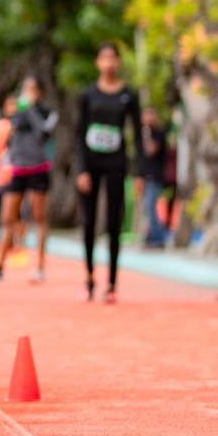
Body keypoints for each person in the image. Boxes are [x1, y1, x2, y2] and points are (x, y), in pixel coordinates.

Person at [76, 43, 141, 303]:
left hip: (116, 162)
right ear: (97, 62)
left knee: (113, 222)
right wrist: (81, 170)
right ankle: (89, 277)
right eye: (104, 57)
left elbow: (136, 133)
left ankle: (112, 282)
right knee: (89, 222)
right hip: (91, 164)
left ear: (118, 62)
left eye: (113, 58)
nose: (109, 62)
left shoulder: (128, 95)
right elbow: (79, 132)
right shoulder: (88, 94)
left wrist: (139, 172)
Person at [0, 78, 57, 283]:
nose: (27, 93)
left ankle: (40, 268)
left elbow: (43, 133)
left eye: (32, 89)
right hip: (17, 170)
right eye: (25, 89)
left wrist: (31, 109)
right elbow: (4, 142)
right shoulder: (15, 116)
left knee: (39, 216)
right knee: (7, 218)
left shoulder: (46, 113)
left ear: (39, 92)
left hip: (39, 168)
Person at [136, 107, 171, 248]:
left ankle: (158, 237)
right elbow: (140, 158)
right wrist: (138, 176)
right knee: (146, 207)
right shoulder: (140, 135)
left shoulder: (159, 134)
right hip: (144, 176)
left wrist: (146, 133)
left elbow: (151, 150)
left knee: (150, 206)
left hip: (155, 176)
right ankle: (150, 235)